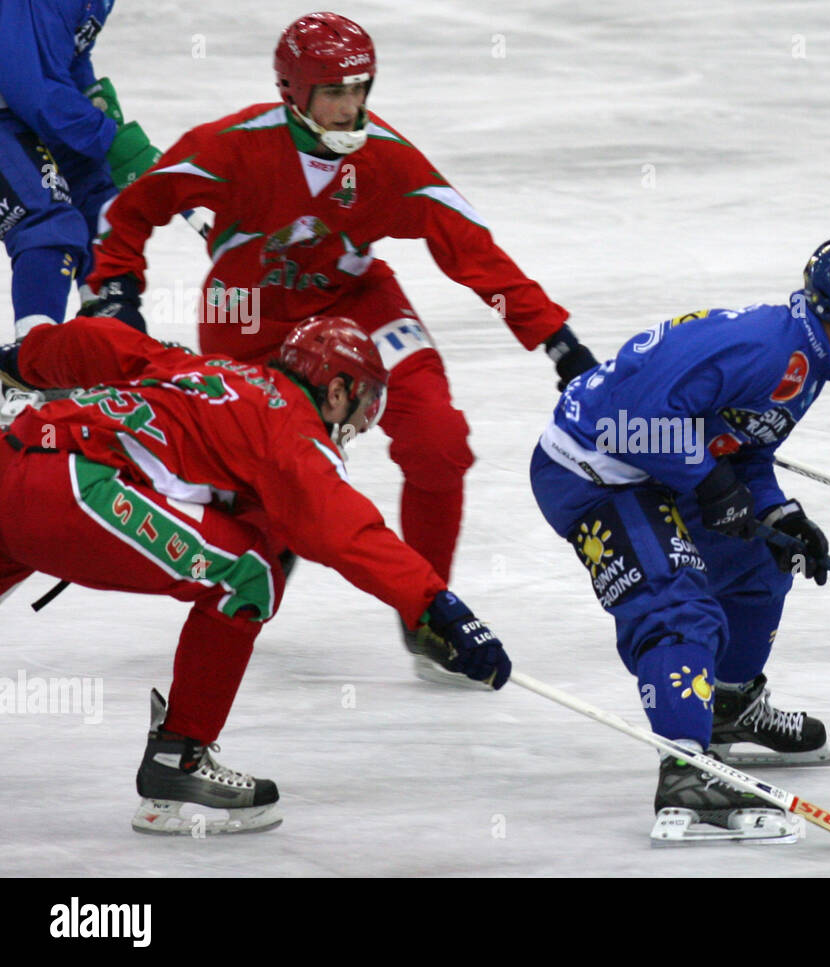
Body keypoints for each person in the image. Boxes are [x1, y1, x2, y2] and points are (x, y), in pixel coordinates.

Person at [83, 11, 596, 683]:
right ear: (293, 91)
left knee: (437, 439)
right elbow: (136, 208)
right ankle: (255, 571)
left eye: (361, 88)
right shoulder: (232, 147)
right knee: (262, 486)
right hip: (249, 316)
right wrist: (115, 287)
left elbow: (471, 249)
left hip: (356, 302)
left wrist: (557, 341)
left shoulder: (385, 156)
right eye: (334, 91)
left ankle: (428, 615)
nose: (353, 108)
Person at [0, 314, 511, 834]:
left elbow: (101, 341)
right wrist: (440, 608)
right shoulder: (293, 432)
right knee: (251, 575)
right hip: (72, 489)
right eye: (363, 405)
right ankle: (177, 758)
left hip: (11, 458)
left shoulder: (212, 370)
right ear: (335, 389)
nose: (358, 424)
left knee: (251, 550)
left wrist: (19, 360)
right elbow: (346, 530)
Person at [529, 234, 830, 842]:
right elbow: (622, 422)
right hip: (593, 473)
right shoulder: (766, 349)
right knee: (678, 607)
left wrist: (776, 512)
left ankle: (728, 707)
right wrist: (710, 483)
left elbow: (746, 450)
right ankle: (685, 765)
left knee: (763, 559)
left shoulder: (809, 361)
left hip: (652, 468)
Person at [0, 0, 162, 337]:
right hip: (19, 102)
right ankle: (31, 362)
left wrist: (90, 96)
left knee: (102, 206)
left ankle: (103, 337)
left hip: (29, 102)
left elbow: (66, 55)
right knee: (49, 222)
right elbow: (30, 86)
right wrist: (105, 136)